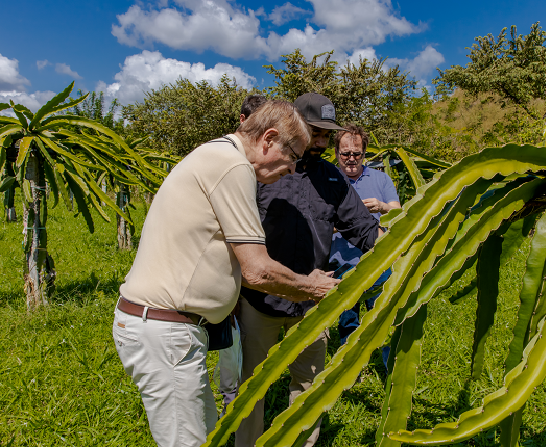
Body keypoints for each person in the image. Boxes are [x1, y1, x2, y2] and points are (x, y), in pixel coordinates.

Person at [112, 100, 340, 447]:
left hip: (174, 331)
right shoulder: (232, 166)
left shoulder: (218, 156)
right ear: (269, 139)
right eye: (293, 156)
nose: (294, 169)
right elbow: (258, 270)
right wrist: (311, 286)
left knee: (206, 439)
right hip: (167, 330)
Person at [236, 93, 381, 447]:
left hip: (312, 302)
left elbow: (363, 229)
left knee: (308, 386)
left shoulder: (333, 179)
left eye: (324, 136)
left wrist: (410, 241)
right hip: (260, 300)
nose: (318, 142)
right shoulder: (262, 171)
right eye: (313, 132)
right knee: (251, 389)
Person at [329, 124, 400, 367]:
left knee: (382, 317)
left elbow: (401, 213)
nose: (350, 159)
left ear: (365, 153)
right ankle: (351, 366)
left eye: (356, 154)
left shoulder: (381, 179)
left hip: (378, 262)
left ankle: (388, 367)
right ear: (336, 152)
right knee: (347, 319)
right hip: (340, 263)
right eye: (345, 153)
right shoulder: (327, 180)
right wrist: (347, 223)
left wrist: (381, 206)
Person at [217, 93, 268, 418]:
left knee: (239, 347)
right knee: (229, 346)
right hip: (230, 273)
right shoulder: (229, 163)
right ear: (242, 120)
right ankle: (228, 403)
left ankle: (235, 404)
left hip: (253, 274)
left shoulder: (259, 171)